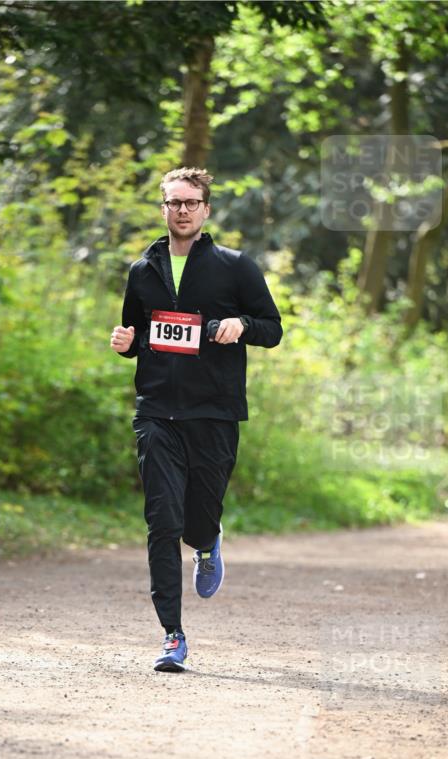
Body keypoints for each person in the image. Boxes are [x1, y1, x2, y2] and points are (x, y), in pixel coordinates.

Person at [110, 167, 282, 673]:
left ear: (205, 210)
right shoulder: (143, 270)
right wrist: (126, 345)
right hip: (157, 411)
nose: (181, 210)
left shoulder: (233, 266)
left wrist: (242, 324)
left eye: (190, 203)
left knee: (198, 514)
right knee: (162, 519)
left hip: (214, 410)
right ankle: (172, 635)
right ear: (162, 208)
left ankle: (207, 542)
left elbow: (272, 329)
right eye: (172, 203)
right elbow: (137, 333)